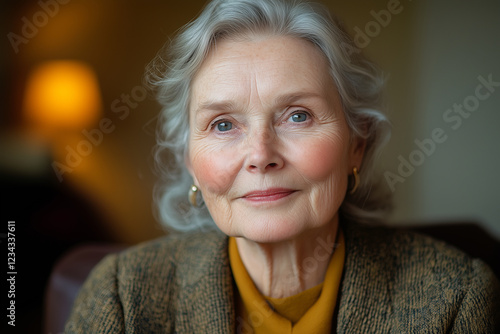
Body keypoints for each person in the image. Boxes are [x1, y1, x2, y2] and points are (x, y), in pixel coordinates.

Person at [65, 0, 500, 332]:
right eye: (222, 124)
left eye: (298, 115)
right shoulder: (120, 298)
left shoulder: (457, 299)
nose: (260, 154)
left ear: (357, 145)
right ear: (190, 162)